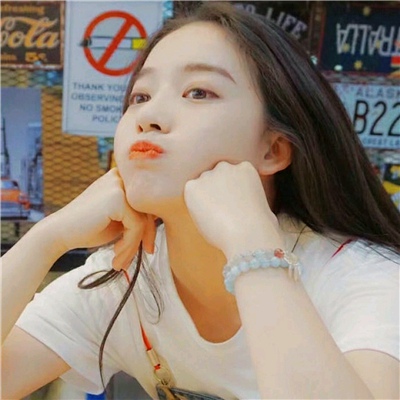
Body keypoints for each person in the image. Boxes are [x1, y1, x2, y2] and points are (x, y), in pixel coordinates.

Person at [2, 3, 399, 399]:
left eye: (198, 92)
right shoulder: (125, 278)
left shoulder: (361, 279)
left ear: (273, 149)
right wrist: (47, 238)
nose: (149, 115)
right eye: (140, 96)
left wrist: (252, 247)